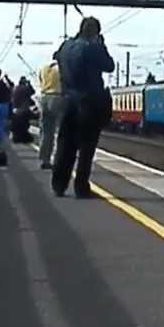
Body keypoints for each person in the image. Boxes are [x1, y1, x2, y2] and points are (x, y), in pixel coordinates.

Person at [52, 16, 115, 198]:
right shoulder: (93, 48)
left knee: (65, 144)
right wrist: (101, 46)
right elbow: (109, 66)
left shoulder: (65, 46)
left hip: (67, 102)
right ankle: (81, 187)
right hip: (88, 102)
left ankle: (58, 184)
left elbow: (58, 60)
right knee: (87, 147)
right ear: (95, 32)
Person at [36, 57, 64, 170]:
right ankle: (59, 159)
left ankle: (45, 159)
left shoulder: (43, 68)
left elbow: (40, 81)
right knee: (61, 131)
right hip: (57, 98)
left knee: (45, 131)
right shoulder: (61, 69)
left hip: (44, 98)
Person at [11, 76, 36, 142]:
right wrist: (29, 84)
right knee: (25, 124)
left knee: (17, 126)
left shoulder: (15, 88)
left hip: (15, 110)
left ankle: (16, 137)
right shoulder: (26, 88)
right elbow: (33, 91)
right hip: (24, 110)